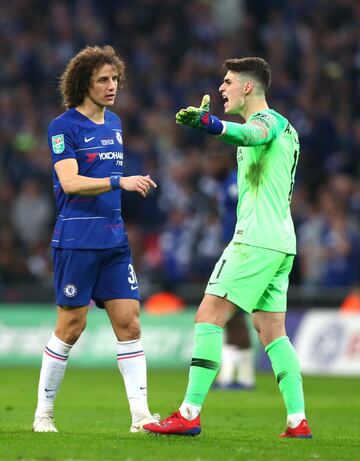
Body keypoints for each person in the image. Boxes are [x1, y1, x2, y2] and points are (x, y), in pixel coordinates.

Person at [144, 57, 312, 438]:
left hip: (256, 239)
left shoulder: (269, 122)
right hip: (281, 242)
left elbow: (249, 135)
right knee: (272, 330)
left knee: (208, 315)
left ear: (248, 87)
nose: (222, 89)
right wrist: (219, 127)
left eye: (228, 82)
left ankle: (189, 413)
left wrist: (210, 125)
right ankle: (297, 420)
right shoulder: (283, 130)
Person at [32, 45, 158, 433]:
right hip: (77, 239)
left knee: (130, 323)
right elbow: (70, 182)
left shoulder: (115, 123)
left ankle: (141, 417)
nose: (111, 86)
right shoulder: (63, 126)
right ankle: (43, 414)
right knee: (72, 326)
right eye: (103, 79)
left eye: (115, 78)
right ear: (83, 83)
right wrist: (120, 181)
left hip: (114, 241)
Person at [214, 168, 256, 390]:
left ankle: (232, 376)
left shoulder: (236, 180)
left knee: (228, 311)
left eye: (213, 158)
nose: (210, 163)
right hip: (235, 248)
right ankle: (241, 376)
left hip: (241, 249)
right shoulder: (224, 182)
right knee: (235, 316)